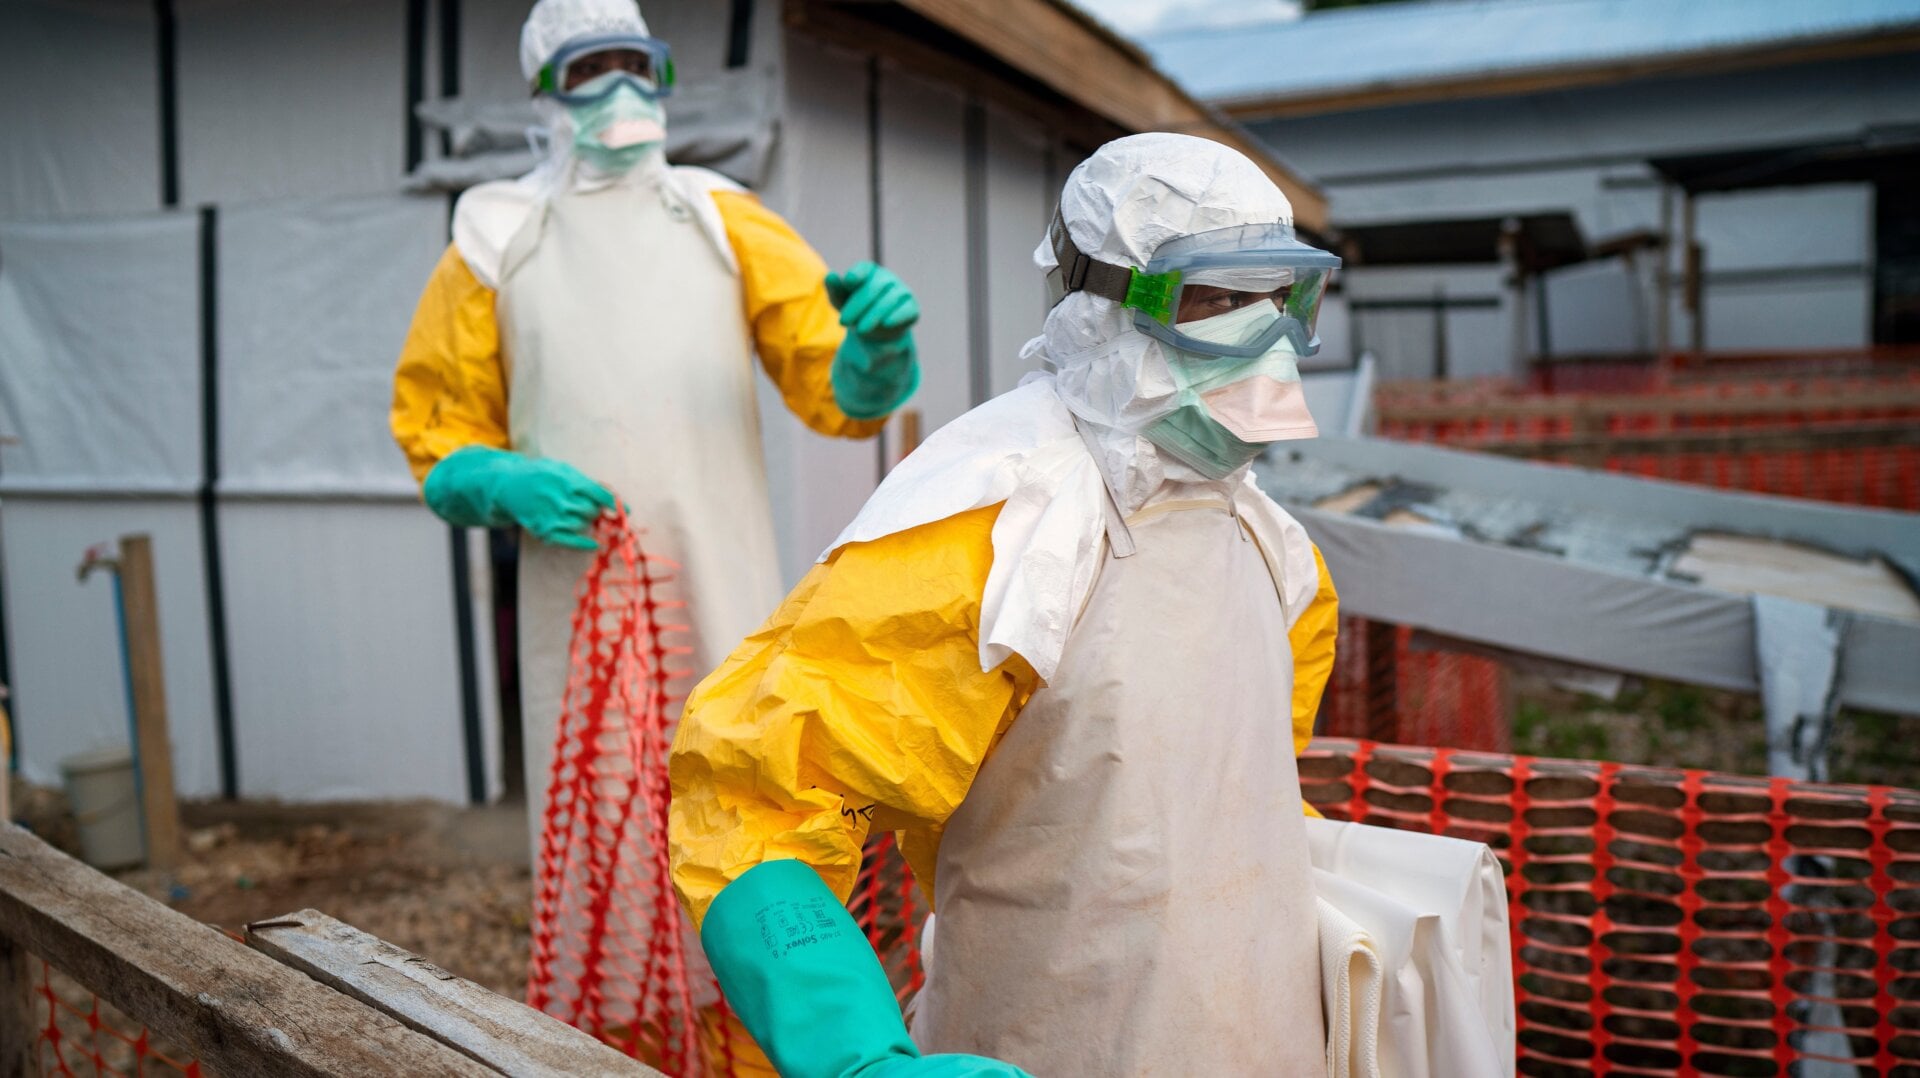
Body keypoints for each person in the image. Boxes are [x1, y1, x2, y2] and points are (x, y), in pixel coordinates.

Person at [669, 132, 1342, 1076]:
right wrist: (853, 1055)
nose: (1262, 337)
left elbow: (1230, 798)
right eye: (1216, 301)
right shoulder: (996, 523)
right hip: (1043, 1038)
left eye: (1281, 299)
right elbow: (756, 797)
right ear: (1105, 306)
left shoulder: (1274, 549)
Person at [389, 0, 920, 815]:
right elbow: (438, 428)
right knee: (603, 808)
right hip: (580, 588)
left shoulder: (724, 217)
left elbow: (834, 395)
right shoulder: (493, 239)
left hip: (722, 571)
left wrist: (875, 356)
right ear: (545, 95)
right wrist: (497, 480)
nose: (621, 90)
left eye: (637, 67)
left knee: (736, 787)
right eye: (590, 72)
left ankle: (723, 951)